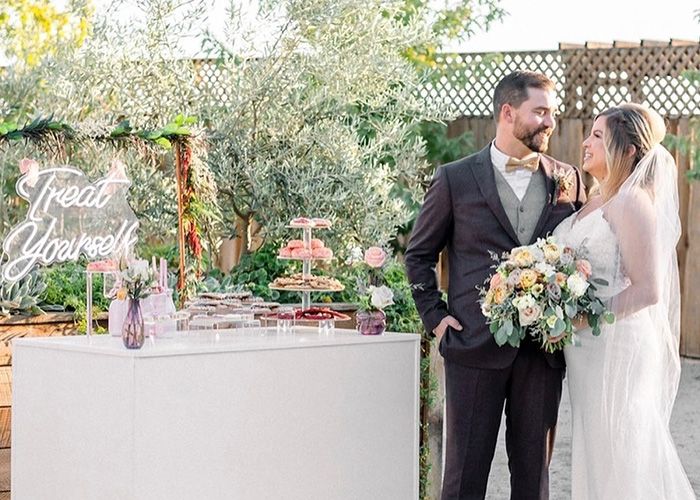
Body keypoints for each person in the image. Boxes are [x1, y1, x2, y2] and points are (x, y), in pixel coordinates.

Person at [405, 70, 586, 500]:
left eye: (552, 113)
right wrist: (436, 319)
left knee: (533, 480)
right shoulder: (455, 179)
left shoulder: (569, 179)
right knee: (464, 478)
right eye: (539, 111)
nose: (549, 122)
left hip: (543, 353)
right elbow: (418, 256)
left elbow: (579, 257)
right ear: (507, 112)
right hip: (471, 347)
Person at [553, 103, 697, 499]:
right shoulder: (596, 200)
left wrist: (580, 319)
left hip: (618, 348)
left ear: (629, 150)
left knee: (622, 450)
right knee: (597, 449)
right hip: (587, 350)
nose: (586, 143)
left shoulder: (633, 203)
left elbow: (648, 289)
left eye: (598, 136)